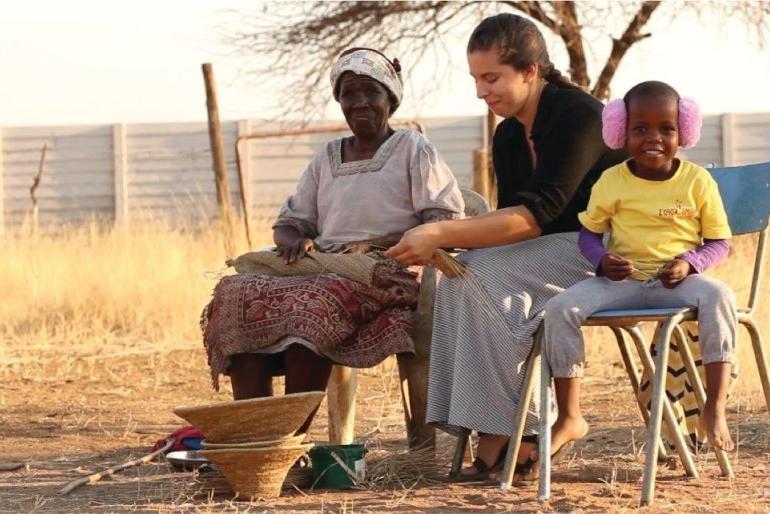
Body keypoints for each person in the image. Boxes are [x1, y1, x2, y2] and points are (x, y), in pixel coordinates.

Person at [385, 13, 626, 480]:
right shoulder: (509, 133)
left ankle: (518, 430)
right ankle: (494, 427)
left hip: (608, 251)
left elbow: (532, 219)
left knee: (481, 273)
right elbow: (510, 221)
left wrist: (438, 233)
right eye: (476, 78)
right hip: (554, 250)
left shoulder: (579, 117)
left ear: (531, 71)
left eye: (491, 77)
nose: (481, 91)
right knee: (459, 276)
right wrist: (448, 248)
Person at [200, 48, 464, 433]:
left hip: (390, 272)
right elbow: (291, 223)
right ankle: (257, 442)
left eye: (369, 92)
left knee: (313, 305)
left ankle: (290, 440)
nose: (359, 103)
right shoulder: (327, 156)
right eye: (348, 94)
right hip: (325, 267)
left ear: (390, 96)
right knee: (236, 293)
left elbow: (443, 220)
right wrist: (296, 240)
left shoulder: (413, 149)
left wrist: (402, 245)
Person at [544, 81, 736, 453]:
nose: (654, 138)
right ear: (620, 131)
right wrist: (601, 260)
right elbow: (588, 236)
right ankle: (569, 415)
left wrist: (689, 263)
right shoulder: (611, 180)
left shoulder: (698, 181)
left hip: (678, 284)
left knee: (721, 295)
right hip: (623, 284)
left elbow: (719, 243)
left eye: (666, 128)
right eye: (640, 128)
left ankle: (714, 408)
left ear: (684, 131)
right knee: (559, 308)